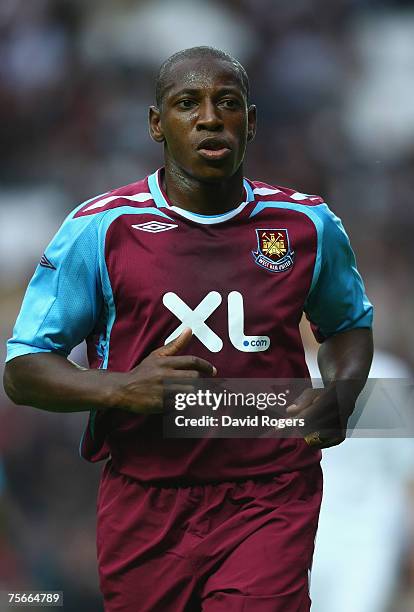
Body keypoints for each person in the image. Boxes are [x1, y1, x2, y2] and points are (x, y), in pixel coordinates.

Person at [3, 46, 373, 611]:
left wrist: (341, 395)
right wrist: (121, 387)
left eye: (227, 103)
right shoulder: (102, 230)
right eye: (187, 103)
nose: (209, 117)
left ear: (249, 122)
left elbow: (348, 325)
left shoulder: (304, 225)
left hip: (268, 492)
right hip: (147, 500)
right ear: (157, 123)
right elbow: (24, 368)